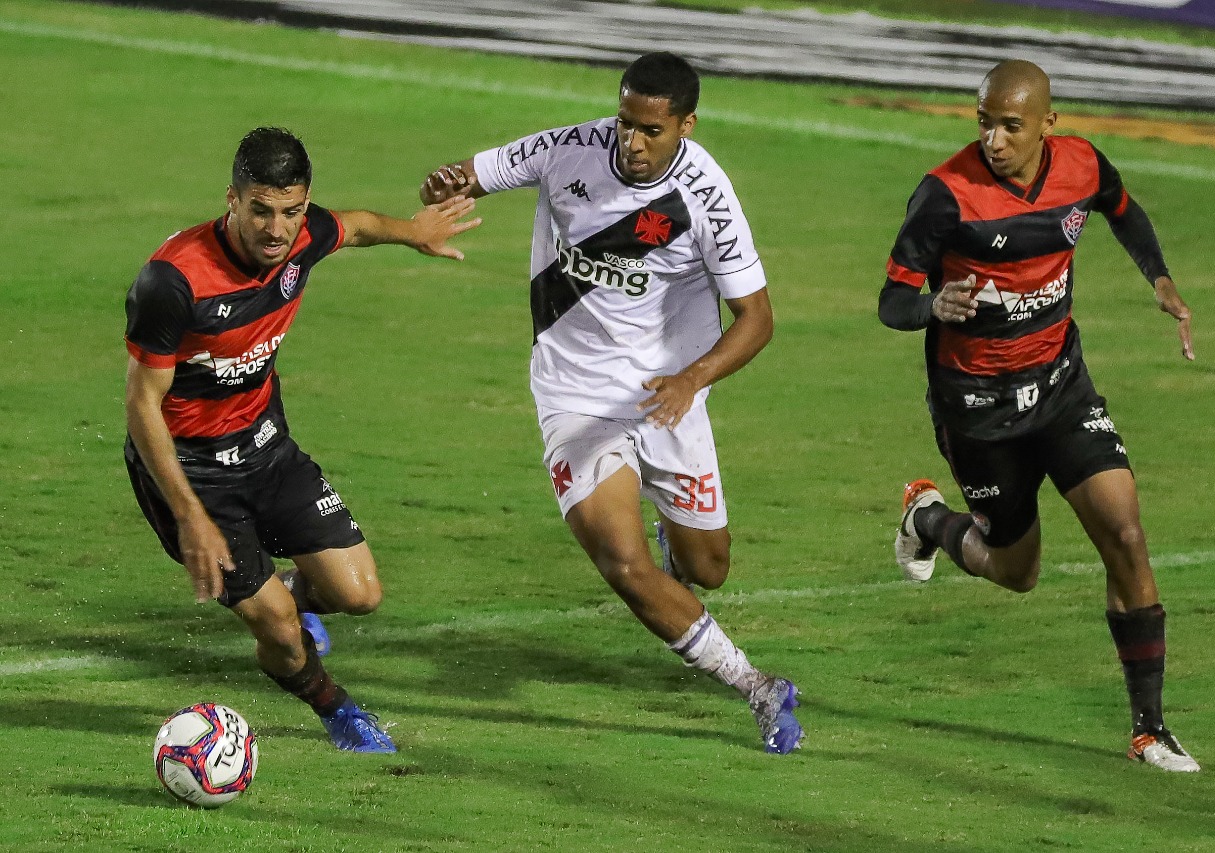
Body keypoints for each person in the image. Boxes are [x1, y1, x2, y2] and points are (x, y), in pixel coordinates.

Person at [420, 52, 803, 753]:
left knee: (708, 568)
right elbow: (477, 170)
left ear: (686, 124)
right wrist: (449, 181)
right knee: (626, 565)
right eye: (626, 122)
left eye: (650, 130)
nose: (630, 140)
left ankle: (674, 543)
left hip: (666, 396)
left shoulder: (706, 197)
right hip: (575, 395)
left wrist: (692, 379)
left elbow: (757, 317)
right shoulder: (570, 147)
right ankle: (756, 684)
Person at [879, 60, 1198, 772]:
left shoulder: (1080, 164)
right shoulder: (945, 195)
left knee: (1126, 530)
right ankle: (927, 519)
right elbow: (891, 297)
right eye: (984, 122)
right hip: (979, 408)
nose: (993, 138)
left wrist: (1161, 278)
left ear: (1048, 124)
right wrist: (933, 305)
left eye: (1009, 125)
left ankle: (1150, 728)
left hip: (1060, 386)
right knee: (1017, 571)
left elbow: (1121, 206)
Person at [125, 127, 480, 753]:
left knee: (359, 594)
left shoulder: (303, 237)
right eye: (260, 209)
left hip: (267, 449)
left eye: (290, 211)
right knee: (283, 636)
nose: (276, 229)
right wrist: (190, 517)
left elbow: (360, 225)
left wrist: (413, 231)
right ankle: (337, 709)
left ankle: (285, 591)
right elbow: (141, 406)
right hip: (191, 472)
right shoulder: (173, 282)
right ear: (231, 200)